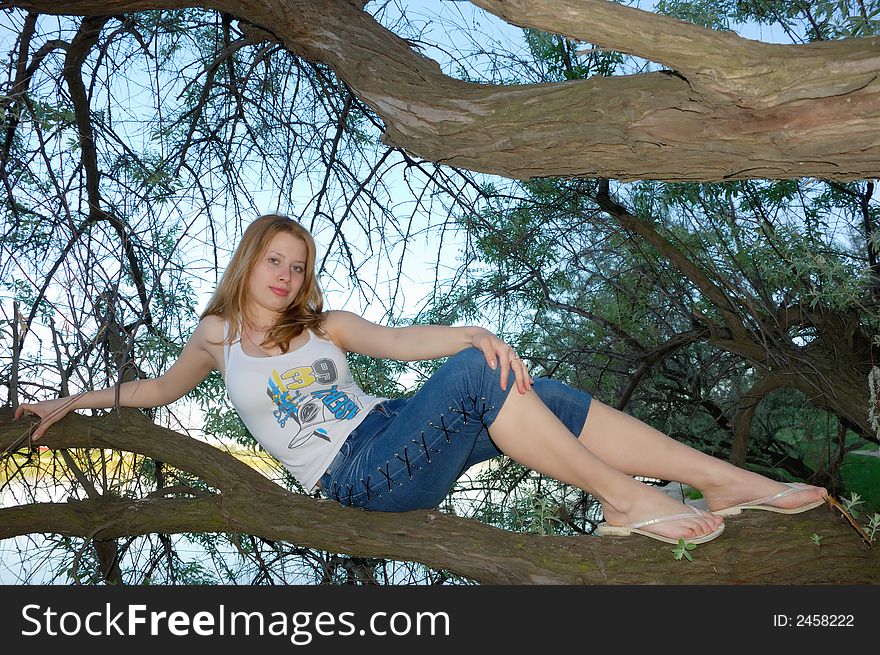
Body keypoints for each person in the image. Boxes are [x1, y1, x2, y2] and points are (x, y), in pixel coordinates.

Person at [15, 214, 828, 545]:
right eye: (275, 259)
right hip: (357, 474)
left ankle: (723, 481)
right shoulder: (215, 338)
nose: (288, 275)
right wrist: (69, 401)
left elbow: (403, 343)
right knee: (484, 372)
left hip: (401, 427)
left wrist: (472, 331)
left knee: (539, 392)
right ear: (250, 260)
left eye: (298, 267)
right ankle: (625, 499)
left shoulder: (321, 326)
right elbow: (154, 392)